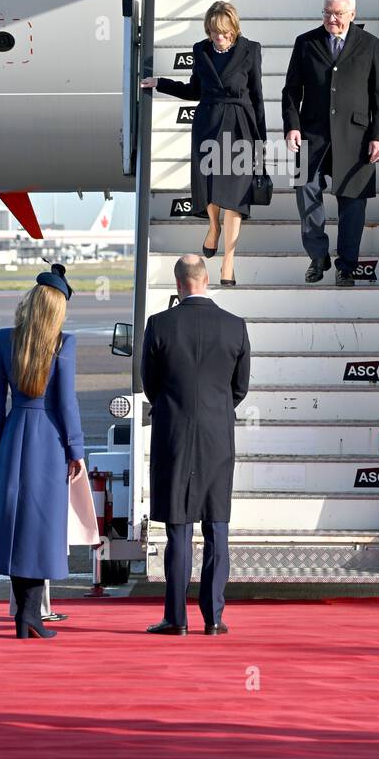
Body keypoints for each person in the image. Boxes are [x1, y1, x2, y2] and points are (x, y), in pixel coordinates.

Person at [141, 254, 250, 635]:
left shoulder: (159, 325)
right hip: (218, 436)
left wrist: (175, 408)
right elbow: (240, 388)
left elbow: (150, 385)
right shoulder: (235, 326)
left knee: (179, 528)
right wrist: (216, 409)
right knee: (217, 526)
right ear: (206, 280)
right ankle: (215, 617)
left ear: (178, 283)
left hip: (173, 434)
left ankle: (176, 617)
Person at [0, 263, 86, 640]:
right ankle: (30, 616)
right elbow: (67, 402)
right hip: (49, 438)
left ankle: (24, 616)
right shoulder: (63, 343)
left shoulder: (3, 339)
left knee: (15, 526)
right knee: (41, 528)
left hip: (15, 434)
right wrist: (76, 448)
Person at [141, 1, 266, 288]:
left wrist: (261, 141)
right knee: (209, 188)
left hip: (240, 126)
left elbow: (257, 97)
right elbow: (194, 90)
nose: (217, 37)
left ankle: (228, 263)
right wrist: (162, 82)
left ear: (233, 29)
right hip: (208, 124)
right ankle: (213, 226)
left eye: (222, 32)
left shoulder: (251, 50)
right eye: (213, 32)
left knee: (235, 196)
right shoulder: (200, 50)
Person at [282, 0, 379, 285]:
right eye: (327, 12)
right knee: (306, 193)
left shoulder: (370, 45)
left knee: (353, 206)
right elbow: (291, 91)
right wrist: (292, 126)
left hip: (356, 137)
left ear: (352, 15)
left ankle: (347, 267)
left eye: (338, 14)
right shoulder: (305, 43)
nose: (331, 18)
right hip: (311, 135)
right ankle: (318, 256)